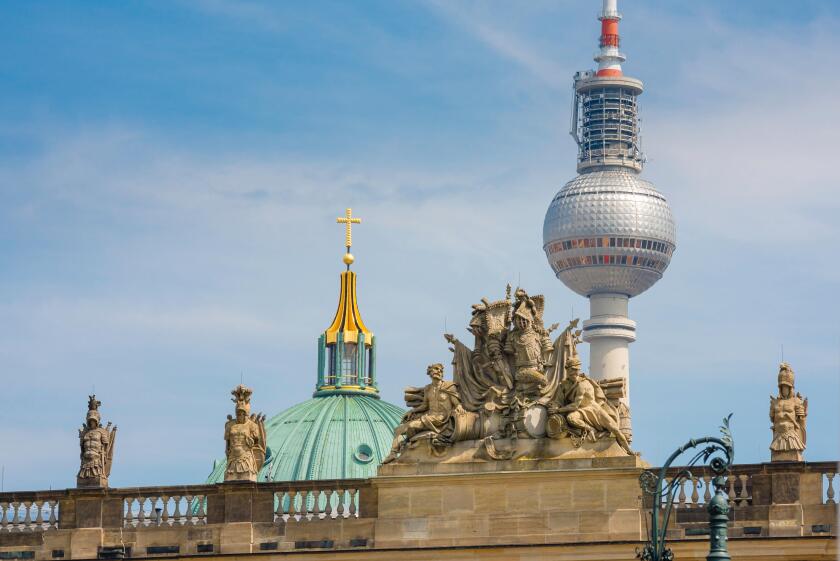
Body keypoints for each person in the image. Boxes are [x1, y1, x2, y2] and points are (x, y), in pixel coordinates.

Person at [383, 363, 464, 464]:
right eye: (435, 369)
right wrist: (412, 411)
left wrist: (459, 407)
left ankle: (402, 447)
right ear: (430, 373)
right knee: (399, 430)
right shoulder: (428, 389)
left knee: (411, 426)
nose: (438, 371)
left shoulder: (449, 387)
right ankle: (393, 453)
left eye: (440, 370)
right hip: (429, 417)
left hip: (442, 419)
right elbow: (425, 406)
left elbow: (456, 403)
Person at [549, 357, 632, 453]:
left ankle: (628, 450)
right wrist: (554, 406)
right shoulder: (563, 385)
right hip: (581, 410)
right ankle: (590, 429)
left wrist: (558, 410)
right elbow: (558, 400)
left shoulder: (582, 384)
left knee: (614, 429)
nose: (574, 373)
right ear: (567, 370)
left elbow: (575, 405)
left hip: (593, 410)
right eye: (572, 370)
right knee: (571, 418)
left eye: (576, 370)